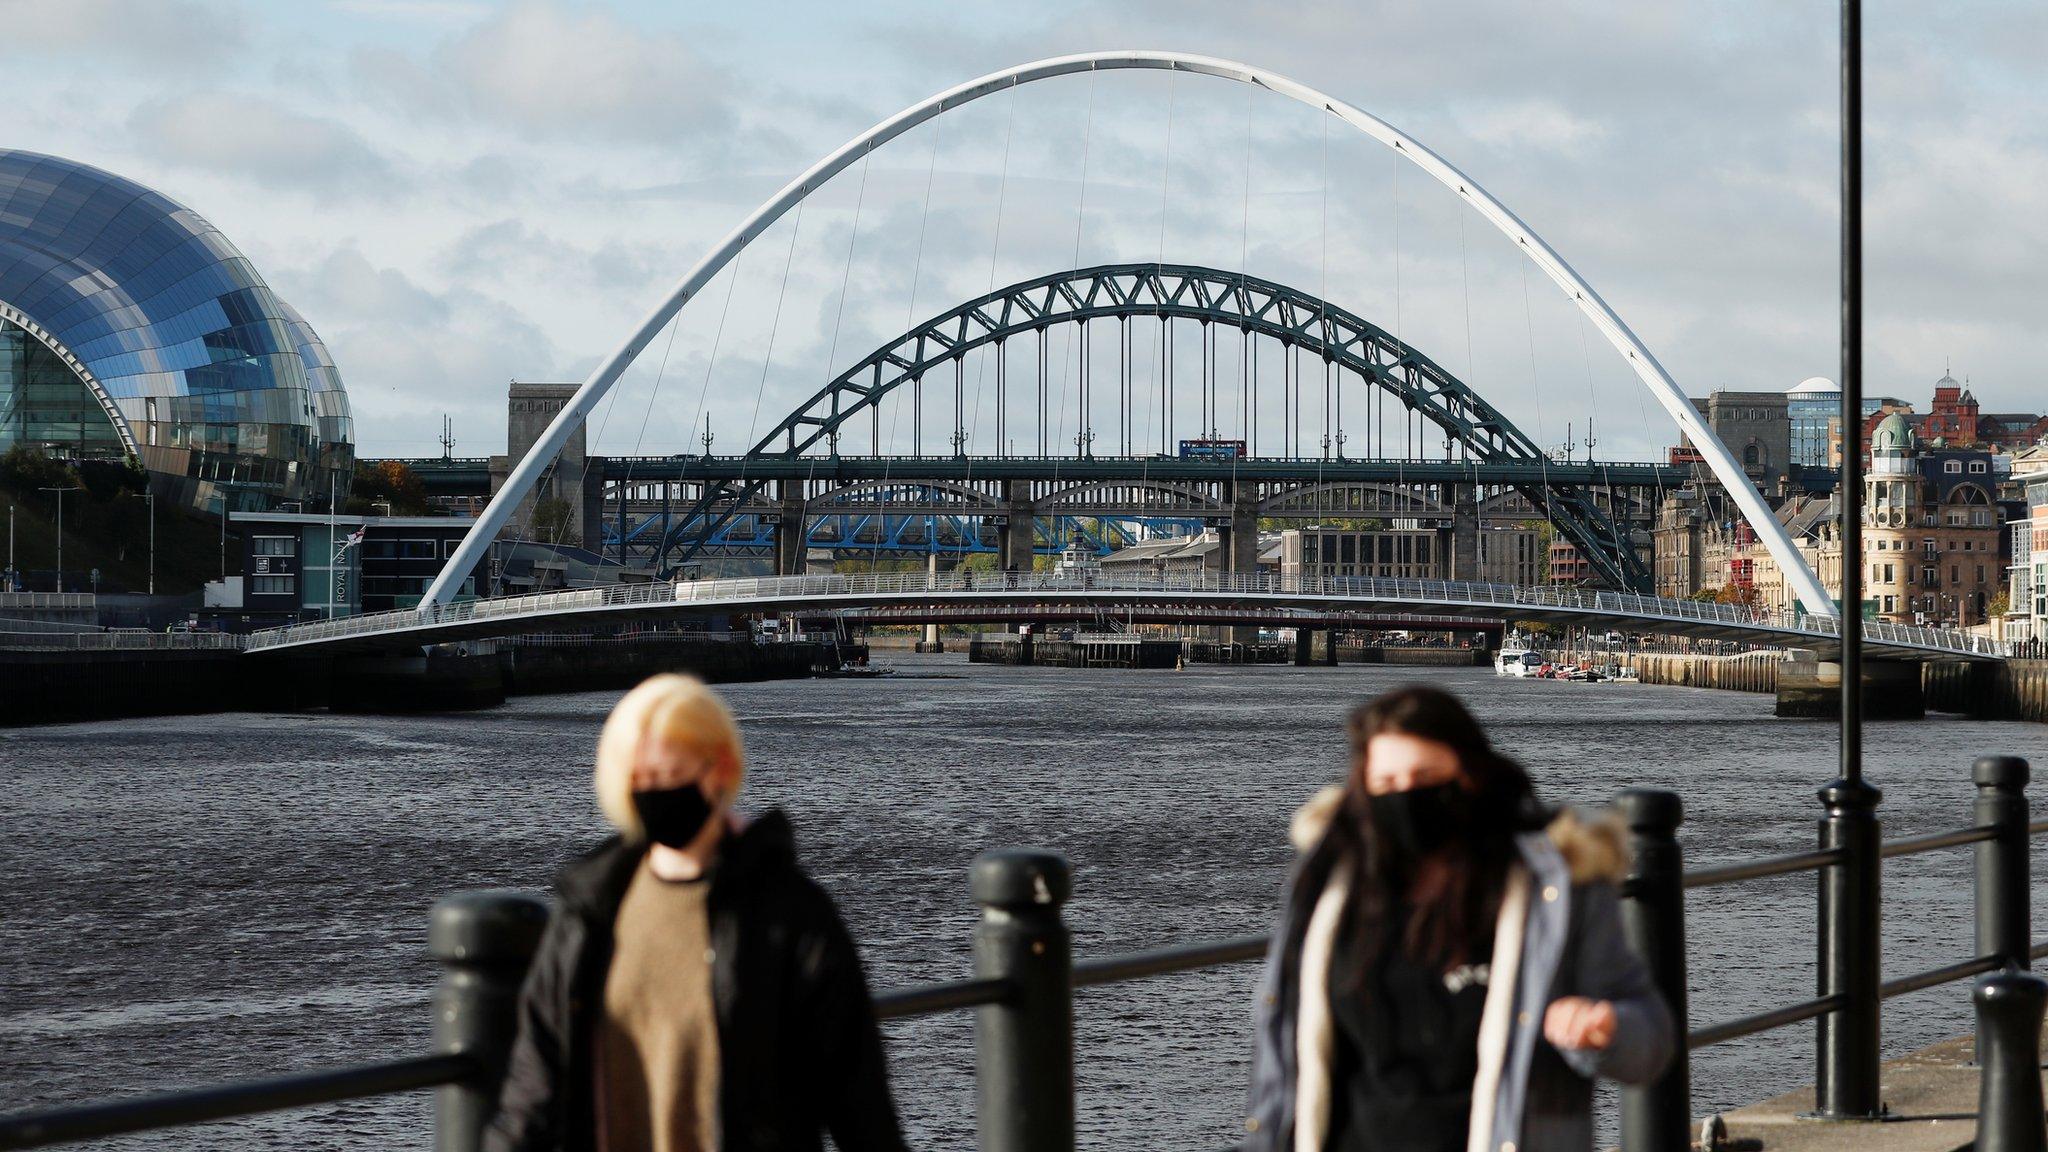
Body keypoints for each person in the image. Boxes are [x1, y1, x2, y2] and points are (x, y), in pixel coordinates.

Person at [484, 674, 907, 1152]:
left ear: (720, 769)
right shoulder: (589, 912)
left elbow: (861, 1111)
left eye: (667, 778)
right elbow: (531, 1097)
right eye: (638, 781)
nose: (652, 795)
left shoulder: (791, 919)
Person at [1243, 686, 1673, 1152]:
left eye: (1426, 777)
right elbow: (1282, 1051)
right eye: (1387, 785)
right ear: (1361, 788)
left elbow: (1650, 1043)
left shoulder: (1552, 885)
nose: (1407, 799)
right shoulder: (1328, 882)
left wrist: (1604, 1027)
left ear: (1470, 776)